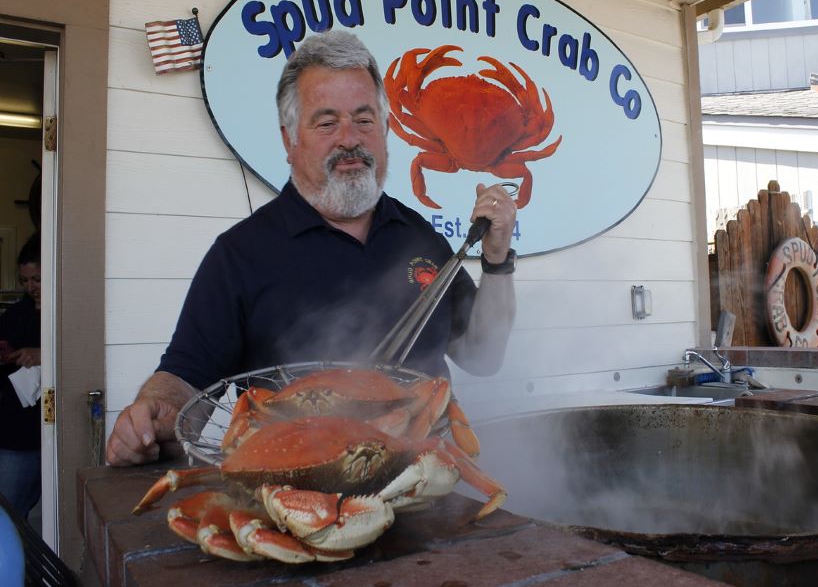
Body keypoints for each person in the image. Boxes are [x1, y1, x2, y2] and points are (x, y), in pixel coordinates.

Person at [106, 30, 517, 466]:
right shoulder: (240, 254)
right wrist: (156, 411)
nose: (349, 139)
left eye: (364, 119)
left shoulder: (421, 236)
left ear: (385, 130)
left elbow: (483, 356)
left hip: (428, 483)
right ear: (289, 140)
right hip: (296, 496)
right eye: (326, 122)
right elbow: (185, 380)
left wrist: (497, 260)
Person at [0, 233, 42, 517]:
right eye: (25, 280)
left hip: (49, 424)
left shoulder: (63, 311)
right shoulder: (15, 314)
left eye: (37, 279)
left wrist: (44, 356)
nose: (31, 287)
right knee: (10, 512)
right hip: (15, 432)